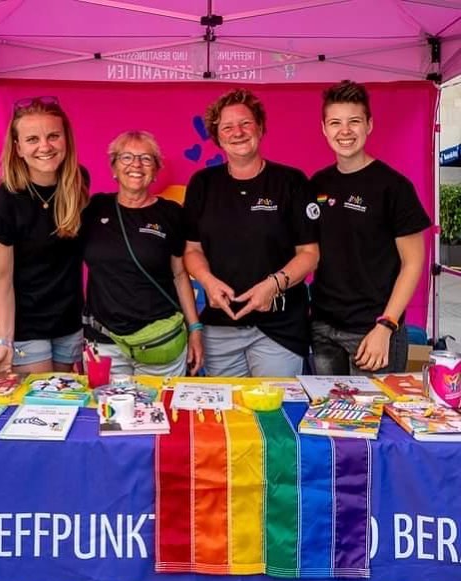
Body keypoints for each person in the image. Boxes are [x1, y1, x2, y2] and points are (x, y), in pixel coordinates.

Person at [183, 88, 319, 377]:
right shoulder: (203, 184)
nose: (238, 132)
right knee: (228, 415)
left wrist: (274, 284)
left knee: (274, 410)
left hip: (279, 327)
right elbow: (192, 249)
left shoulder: (291, 182)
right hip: (221, 327)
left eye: (245, 123)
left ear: (260, 126)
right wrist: (207, 281)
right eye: (227, 127)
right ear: (217, 136)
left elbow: (309, 254)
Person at [310, 80, 430, 375]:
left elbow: (414, 263)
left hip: (374, 332)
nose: (345, 131)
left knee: (376, 419)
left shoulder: (394, 187)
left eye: (354, 121)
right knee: (328, 418)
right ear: (324, 128)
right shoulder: (317, 184)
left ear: (369, 125)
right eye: (335, 122)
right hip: (324, 329)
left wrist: (386, 325)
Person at [82, 130, 203, 377]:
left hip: (160, 341)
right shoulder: (94, 208)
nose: (136, 164)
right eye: (126, 157)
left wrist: (195, 328)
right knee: (108, 414)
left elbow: (180, 275)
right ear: (113, 167)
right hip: (103, 342)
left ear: (156, 170)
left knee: (162, 412)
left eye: (146, 159)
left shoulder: (171, 214)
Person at [0, 97, 89, 375]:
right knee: (46, 406)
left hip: (69, 321)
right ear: (18, 148)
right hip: (27, 327)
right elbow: (0, 278)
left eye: (53, 136)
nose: (45, 146)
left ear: (66, 139)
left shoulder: (78, 184)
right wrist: (4, 338)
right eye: (32, 139)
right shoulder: (3, 204)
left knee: (67, 404)